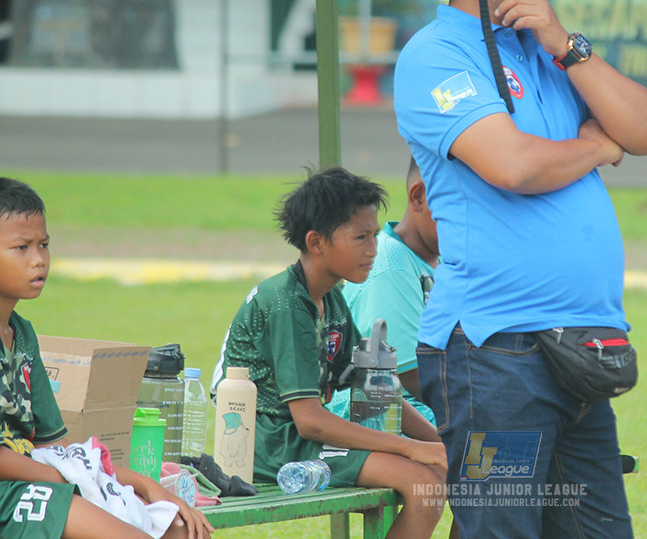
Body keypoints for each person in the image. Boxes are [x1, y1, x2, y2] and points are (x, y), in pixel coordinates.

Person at [392, 0, 647, 537]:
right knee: (503, 530)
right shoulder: (434, 56)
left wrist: (566, 42)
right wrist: (595, 150)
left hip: (580, 351)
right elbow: (513, 165)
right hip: (495, 358)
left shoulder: (547, 48)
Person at [213, 167, 447, 539]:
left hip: (300, 440)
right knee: (425, 485)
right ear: (317, 242)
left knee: (435, 474)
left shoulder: (332, 299)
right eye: (361, 238)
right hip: (271, 445)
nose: (372, 249)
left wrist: (438, 442)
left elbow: (376, 389)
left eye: (374, 236)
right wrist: (411, 448)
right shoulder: (288, 304)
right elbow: (311, 421)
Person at [0, 177, 214, 539]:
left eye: (44, 244)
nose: (39, 260)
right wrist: (70, 479)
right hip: (14, 489)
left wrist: (146, 485)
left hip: (41, 478)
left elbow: (57, 446)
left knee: (180, 530)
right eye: (22, 247)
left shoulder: (22, 335)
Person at [326, 157, 439, 424]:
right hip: (394, 412)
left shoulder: (445, 260)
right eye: (464, 206)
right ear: (420, 196)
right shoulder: (391, 265)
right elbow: (412, 379)